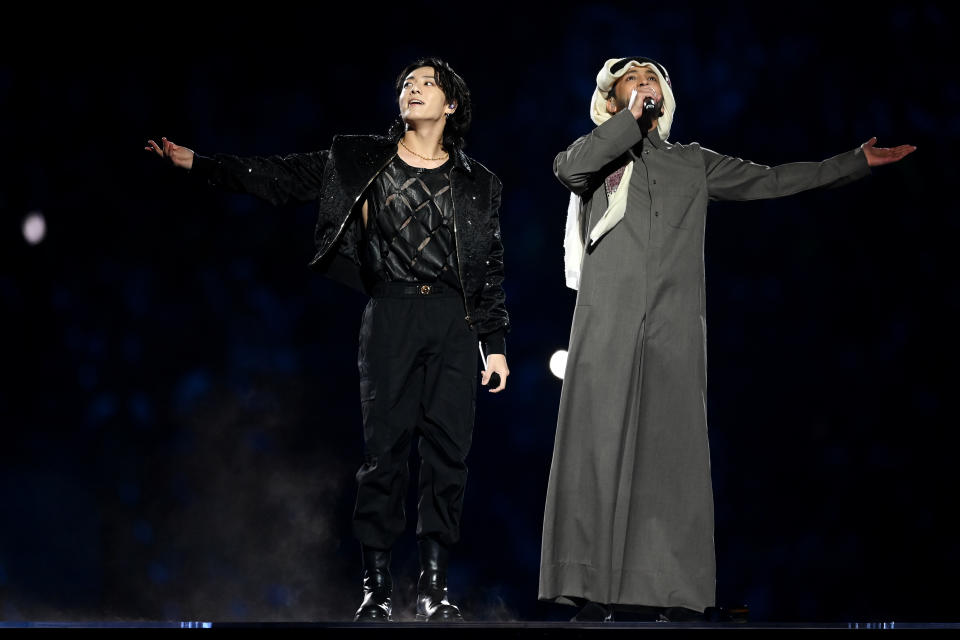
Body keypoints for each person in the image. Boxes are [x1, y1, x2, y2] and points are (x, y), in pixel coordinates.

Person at [539, 55, 915, 622]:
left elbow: (774, 179)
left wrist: (853, 162)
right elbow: (568, 172)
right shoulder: (593, 155)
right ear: (611, 101)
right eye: (632, 81)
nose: (645, 84)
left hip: (674, 322)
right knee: (598, 447)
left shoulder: (695, 163)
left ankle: (672, 592)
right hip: (605, 322)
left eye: (653, 81)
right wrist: (626, 126)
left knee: (672, 455)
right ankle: (593, 592)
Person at [145, 57, 511, 623]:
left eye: (426, 83)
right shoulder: (359, 159)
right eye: (406, 84)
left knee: (447, 455)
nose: (413, 89)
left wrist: (496, 343)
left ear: (451, 104)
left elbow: (488, 267)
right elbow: (281, 179)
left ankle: (434, 588)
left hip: (453, 324)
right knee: (384, 453)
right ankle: (377, 588)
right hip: (389, 313)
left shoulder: (479, 183)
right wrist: (201, 165)